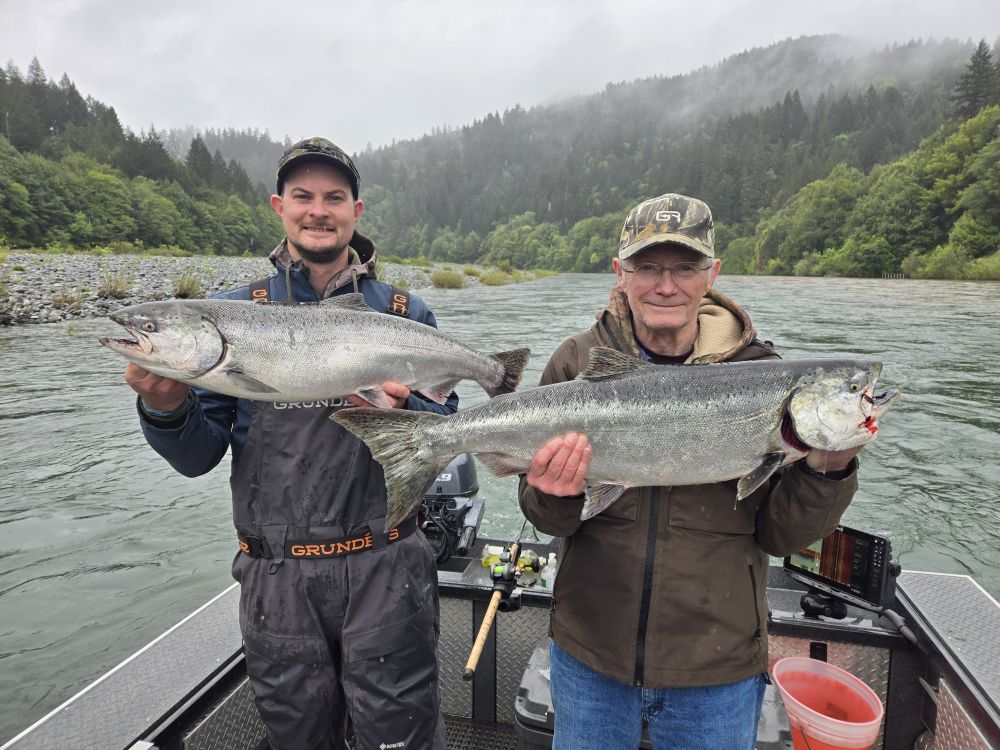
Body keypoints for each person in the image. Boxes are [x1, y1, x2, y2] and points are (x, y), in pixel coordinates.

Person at [123, 137, 451, 750]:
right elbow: (198, 457)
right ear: (280, 206)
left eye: (334, 197)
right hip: (276, 576)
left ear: (357, 210)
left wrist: (409, 408)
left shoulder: (406, 312)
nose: (317, 210)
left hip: (386, 565)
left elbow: (445, 428)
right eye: (303, 196)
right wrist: (164, 405)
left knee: (400, 737)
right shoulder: (229, 314)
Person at [518, 193, 864, 750]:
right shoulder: (576, 362)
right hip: (591, 653)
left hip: (716, 666)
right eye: (648, 266)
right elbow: (547, 519)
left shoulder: (763, 375)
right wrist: (554, 493)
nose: (665, 285)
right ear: (621, 273)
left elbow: (784, 536)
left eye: (685, 267)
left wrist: (830, 467)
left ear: (712, 274)